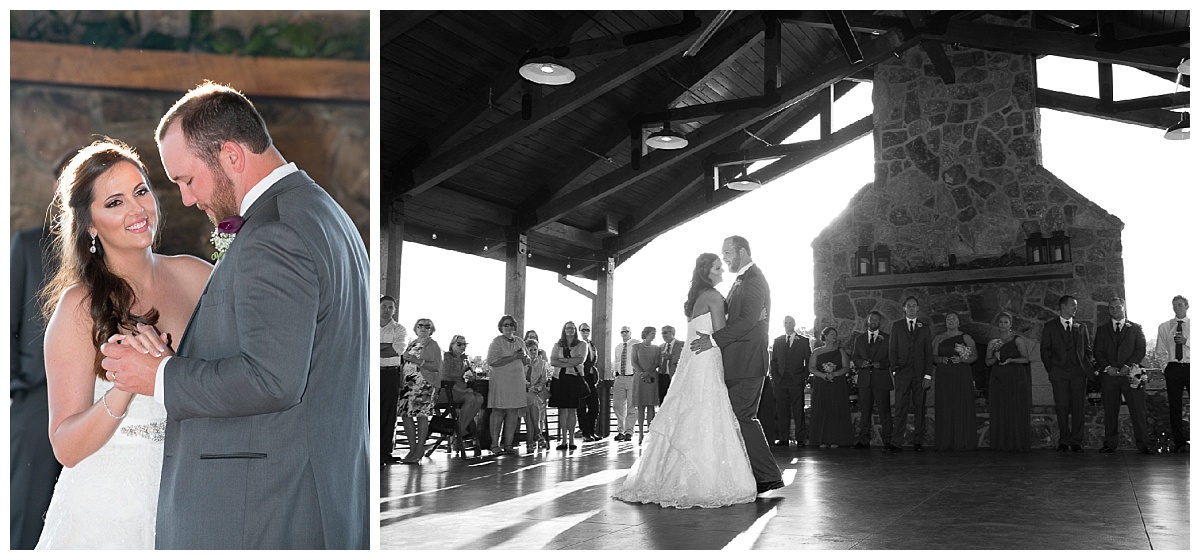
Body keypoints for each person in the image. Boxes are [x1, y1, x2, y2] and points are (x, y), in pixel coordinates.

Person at [100, 81, 371, 549]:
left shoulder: (275, 233)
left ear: (231, 157)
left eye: (187, 179)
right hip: (317, 491)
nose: (185, 199)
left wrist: (160, 376)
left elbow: (271, 379)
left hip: (267, 508)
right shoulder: (328, 216)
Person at [36, 140, 212, 549]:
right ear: (90, 225)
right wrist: (124, 389)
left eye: (140, 191)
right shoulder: (79, 308)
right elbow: (66, 446)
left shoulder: (197, 276)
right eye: (114, 202)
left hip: (187, 494)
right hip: (106, 512)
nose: (137, 209)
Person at [614, 253, 756, 508]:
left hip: (695, 356)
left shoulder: (697, 299)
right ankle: (706, 477)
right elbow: (723, 330)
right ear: (706, 271)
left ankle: (677, 472)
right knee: (706, 407)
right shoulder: (712, 296)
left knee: (694, 407)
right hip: (706, 355)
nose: (722, 269)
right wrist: (755, 317)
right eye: (717, 267)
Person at [10, 150, 73, 549]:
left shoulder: (114, 248)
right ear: (56, 190)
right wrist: (19, 386)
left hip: (98, 399)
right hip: (36, 398)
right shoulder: (28, 244)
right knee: (26, 516)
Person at [689, 236, 784, 494]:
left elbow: (746, 322)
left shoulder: (754, 280)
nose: (726, 257)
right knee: (736, 418)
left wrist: (713, 340)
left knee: (744, 417)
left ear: (742, 251)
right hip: (736, 361)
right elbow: (740, 319)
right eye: (723, 253)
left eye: (728, 252)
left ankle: (767, 476)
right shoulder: (740, 281)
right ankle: (748, 475)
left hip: (748, 362)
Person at [1093, 298, 1151, 454]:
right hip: (1109, 377)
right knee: (1110, 411)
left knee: (1138, 410)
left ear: (1124, 308)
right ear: (1109, 310)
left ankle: (1144, 444)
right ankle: (1110, 443)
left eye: (1118, 307)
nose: (1114, 310)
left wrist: (1128, 365)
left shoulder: (1136, 328)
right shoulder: (1102, 330)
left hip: (1130, 375)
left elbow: (1140, 350)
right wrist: (1107, 367)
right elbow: (1097, 351)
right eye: (1111, 307)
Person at [1040, 295, 1095, 453]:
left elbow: (1088, 350)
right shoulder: (1050, 327)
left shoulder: (1081, 327)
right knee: (1062, 407)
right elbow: (1045, 350)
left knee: (1078, 407)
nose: (1075, 308)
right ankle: (1064, 440)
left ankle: (1077, 441)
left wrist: (1086, 366)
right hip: (1059, 374)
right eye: (1073, 305)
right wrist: (1052, 369)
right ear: (1063, 307)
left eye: (1075, 305)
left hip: (1078, 374)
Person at [888, 296, 934, 452]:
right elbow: (892, 349)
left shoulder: (925, 327)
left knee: (919, 407)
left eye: (915, 306)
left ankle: (918, 441)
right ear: (904, 308)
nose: (912, 308)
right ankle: (896, 442)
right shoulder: (897, 326)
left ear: (918, 308)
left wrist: (928, 375)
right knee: (900, 407)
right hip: (902, 373)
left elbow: (929, 352)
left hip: (920, 375)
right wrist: (894, 369)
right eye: (909, 306)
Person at [985, 311, 1033, 452]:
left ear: (1010, 324)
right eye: (1001, 322)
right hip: (998, 378)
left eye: (1006, 322)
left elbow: (1026, 359)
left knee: (1015, 407)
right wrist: (994, 355)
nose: (1003, 325)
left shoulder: (1017, 340)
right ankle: (1001, 442)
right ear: (998, 325)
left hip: (1015, 378)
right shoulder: (993, 342)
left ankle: (1017, 441)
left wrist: (1012, 360)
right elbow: (988, 362)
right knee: (1000, 408)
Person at [932, 312, 979, 451]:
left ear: (959, 322)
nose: (951, 321)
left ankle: (962, 439)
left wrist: (962, 359)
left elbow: (975, 356)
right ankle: (946, 440)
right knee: (945, 404)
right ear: (945, 323)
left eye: (954, 319)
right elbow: (933, 357)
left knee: (961, 404)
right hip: (944, 375)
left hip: (961, 375)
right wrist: (940, 359)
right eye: (948, 319)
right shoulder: (938, 338)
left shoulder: (966, 337)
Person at [397, 319, 441, 463]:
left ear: (431, 329)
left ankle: (419, 448)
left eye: (427, 326)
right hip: (407, 384)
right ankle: (412, 448)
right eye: (420, 325)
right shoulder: (412, 343)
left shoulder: (432, 345)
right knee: (405, 415)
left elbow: (436, 366)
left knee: (421, 416)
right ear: (415, 328)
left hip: (423, 384)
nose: (423, 328)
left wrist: (418, 361)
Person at [851, 311, 894, 451]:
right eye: (871, 319)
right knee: (864, 412)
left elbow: (893, 359)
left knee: (884, 412)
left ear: (879, 322)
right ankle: (863, 441)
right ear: (867, 321)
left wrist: (881, 364)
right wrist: (860, 363)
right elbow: (855, 357)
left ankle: (888, 441)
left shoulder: (887, 338)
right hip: (864, 381)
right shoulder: (860, 339)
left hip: (881, 379)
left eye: (876, 319)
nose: (873, 321)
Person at [487, 315, 529, 456]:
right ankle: (494, 444)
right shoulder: (496, 342)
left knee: (513, 412)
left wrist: (523, 356)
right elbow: (492, 361)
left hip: (517, 380)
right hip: (501, 380)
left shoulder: (519, 341)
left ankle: (509, 444)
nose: (509, 327)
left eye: (511, 324)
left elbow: (527, 360)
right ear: (501, 327)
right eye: (506, 325)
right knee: (498, 410)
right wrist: (513, 357)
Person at [808, 327, 854, 447]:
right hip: (821, 384)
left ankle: (837, 439)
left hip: (837, 384)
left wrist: (835, 374)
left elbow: (846, 367)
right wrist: (822, 375)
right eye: (832, 334)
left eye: (835, 334)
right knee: (822, 410)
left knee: (836, 410)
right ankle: (821, 439)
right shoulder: (817, 352)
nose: (835, 336)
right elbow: (811, 367)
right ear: (826, 336)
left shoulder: (840, 351)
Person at [1154, 295, 1190, 453]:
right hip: (1174, 368)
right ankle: (1179, 441)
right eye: (1174, 305)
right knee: (1174, 406)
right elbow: (1160, 351)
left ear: (1187, 306)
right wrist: (1166, 368)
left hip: (1192, 367)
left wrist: (1187, 342)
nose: (1177, 307)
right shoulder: (1165, 327)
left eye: (1180, 304)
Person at [770, 315, 811, 447]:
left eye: (790, 323)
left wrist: (803, 377)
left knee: (798, 410)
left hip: (796, 381)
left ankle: (800, 438)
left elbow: (809, 361)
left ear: (794, 324)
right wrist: (776, 378)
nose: (787, 325)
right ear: (783, 325)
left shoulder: (804, 341)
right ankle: (783, 438)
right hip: (781, 381)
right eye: (785, 323)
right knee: (782, 411)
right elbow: (774, 361)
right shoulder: (778, 341)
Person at [438, 334, 484, 449]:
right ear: (452, 345)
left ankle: (460, 429)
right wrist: (464, 390)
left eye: (465, 344)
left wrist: (471, 377)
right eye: (459, 344)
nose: (462, 346)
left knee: (479, 398)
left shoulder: (465, 359)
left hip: (461, 390)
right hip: (447, 390)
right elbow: (445, 379)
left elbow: (466, 377)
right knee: (470, 397)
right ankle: (459, 431)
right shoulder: (447, 358)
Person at [549, 321, 589, 450]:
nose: (570, 330)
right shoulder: (558, 345)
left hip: (574, 379)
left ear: (575, 330)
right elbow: (552, 361)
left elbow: (580, 360)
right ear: (564, 330)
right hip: (559, 379)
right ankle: (563, 440)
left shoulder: (582, 345)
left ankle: (571, 440)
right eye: (567, 328)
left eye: (572, 328)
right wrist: (570, 362)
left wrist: (562, 361)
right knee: (562, 410)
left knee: (572, 410)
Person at [380, 295, 406, 464]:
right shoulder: (367, 325)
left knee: (388, 415)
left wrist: (374, 347)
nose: (387, 310)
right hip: (370, 373)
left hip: (390, 374)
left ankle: (384, 454)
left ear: (394, 310)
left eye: (390, 307)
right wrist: (385, 347)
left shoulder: (400, 329)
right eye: (384, 306)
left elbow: (397, 350)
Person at [631, 326, 660, 444]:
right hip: (640, 378)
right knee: (641, 406)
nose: (654, 335)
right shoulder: (636, 347)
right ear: (646, 334)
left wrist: (648, 373)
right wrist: (643, 374)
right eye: (652, 333)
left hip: (652, 377)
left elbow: (656, 362)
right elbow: (634, 362)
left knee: (651, 405)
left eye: (655, 333)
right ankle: (640, 434)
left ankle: (650, 432)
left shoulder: (656, 348)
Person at [523, 338, 549, 453]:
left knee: (531, 406)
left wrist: (536, 388)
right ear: (526, 350)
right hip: (521, 392)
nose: (533, 352)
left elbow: (544, 380)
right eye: (530, 350)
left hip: (536, 393)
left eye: (535, 349)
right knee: (531, 401)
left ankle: (530, 442)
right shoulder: (521, 363)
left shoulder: (542, 364)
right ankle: (537, 434)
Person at [578, 322, 602, 442]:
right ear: (579, 331)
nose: (585, 332)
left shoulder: (591, 345)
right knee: (581, 407)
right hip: (581, 377)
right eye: (583, 330)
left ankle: (592, 431)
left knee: (594, 406)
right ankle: (585, 433)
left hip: (591, 378)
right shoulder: (577, 344)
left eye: (587, 330)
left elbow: (592, 362)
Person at [612, 325, 636, 441]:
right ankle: (620, 430)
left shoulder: (636, 344)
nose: (624, 333)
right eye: (622, 332)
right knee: (617, 405)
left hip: (632, 378)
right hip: (620, 378)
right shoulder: (618, 347)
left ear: (630, 332)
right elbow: (616, 361)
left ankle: (628, 432)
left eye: (626, 331)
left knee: (632, 406)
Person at [658, 324, 682, 402]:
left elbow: (684, 359)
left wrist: (671, 357)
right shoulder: (661, 346)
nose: (663, 335)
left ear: (672, 333)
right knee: (662, 401)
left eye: (665, 333)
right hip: (662, 377)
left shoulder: (682, 344)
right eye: (662, 333)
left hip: (674, 377)